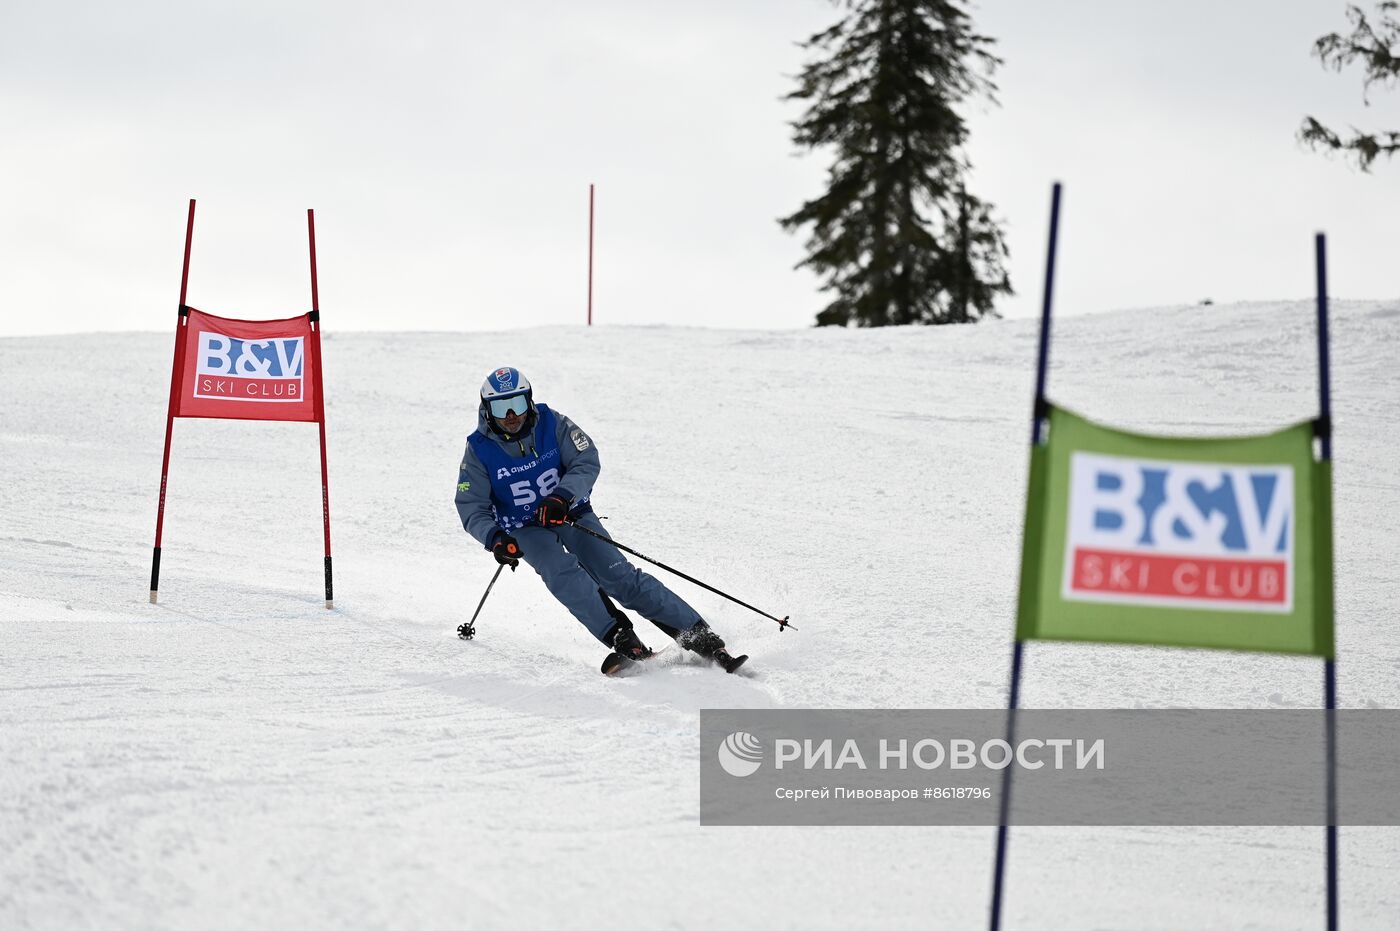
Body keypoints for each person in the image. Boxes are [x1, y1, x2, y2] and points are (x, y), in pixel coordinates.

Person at [455, 366, 746, 675]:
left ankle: (698, 635)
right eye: (501, 407)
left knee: (619, 576)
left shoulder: (552, 423)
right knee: (561, 572)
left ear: (529, 401)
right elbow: (471, 505)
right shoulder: (479, 450)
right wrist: (496, 539)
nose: (512, 414)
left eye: (518, 403)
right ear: (487, 411)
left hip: (569, 512)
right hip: (524, 528)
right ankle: (621, 637)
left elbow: (586, 458)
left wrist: (562, 496)